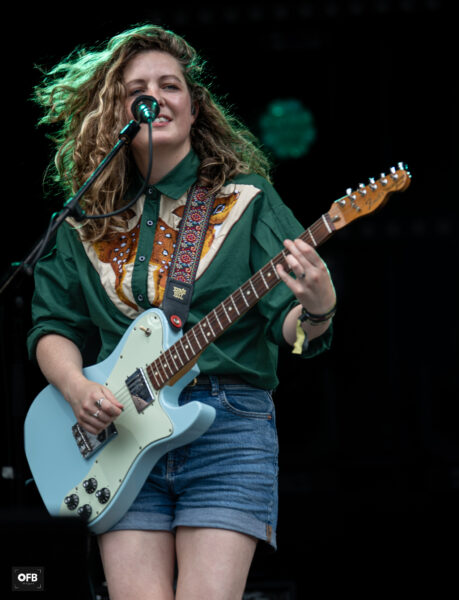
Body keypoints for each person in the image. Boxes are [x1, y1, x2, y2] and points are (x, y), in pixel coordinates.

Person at [27, 24, 336, 600]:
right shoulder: (82, 221)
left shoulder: (246, 199)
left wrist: (318, 309)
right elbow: (53, 326)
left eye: (170, 86)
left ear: (195, 110)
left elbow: (290, 327)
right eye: (137, 89)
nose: (156, 97)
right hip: (119, 432)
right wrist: (76, 388)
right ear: (113, 114)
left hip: (227, 427)